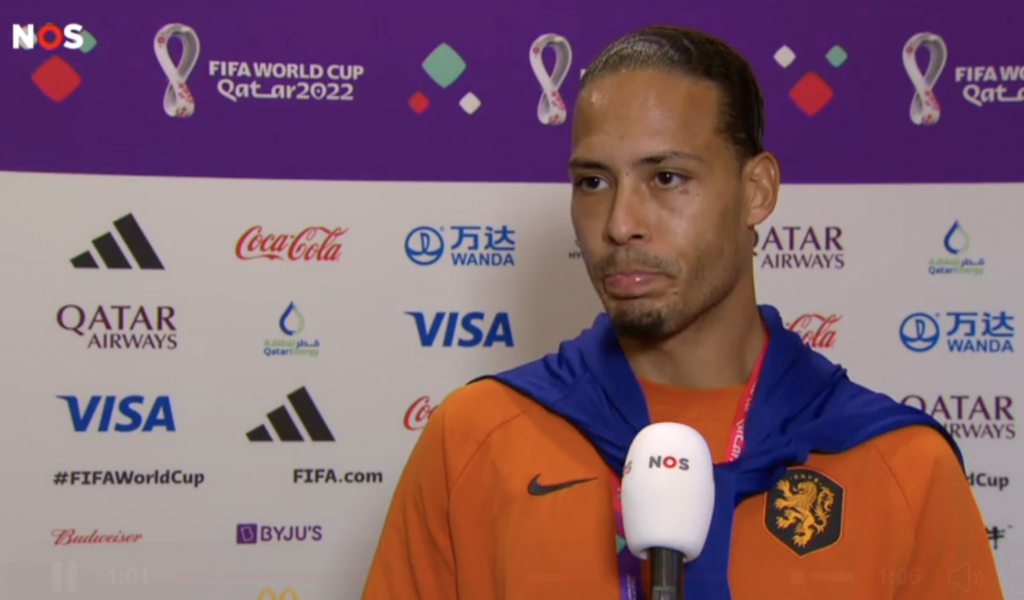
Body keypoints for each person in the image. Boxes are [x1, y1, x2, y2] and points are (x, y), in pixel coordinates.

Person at [361, 25, 1002, 600]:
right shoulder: (473, 440)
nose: (620, 223)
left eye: (666, 177)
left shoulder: (904, 465)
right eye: (593, 182)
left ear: (757, 191)